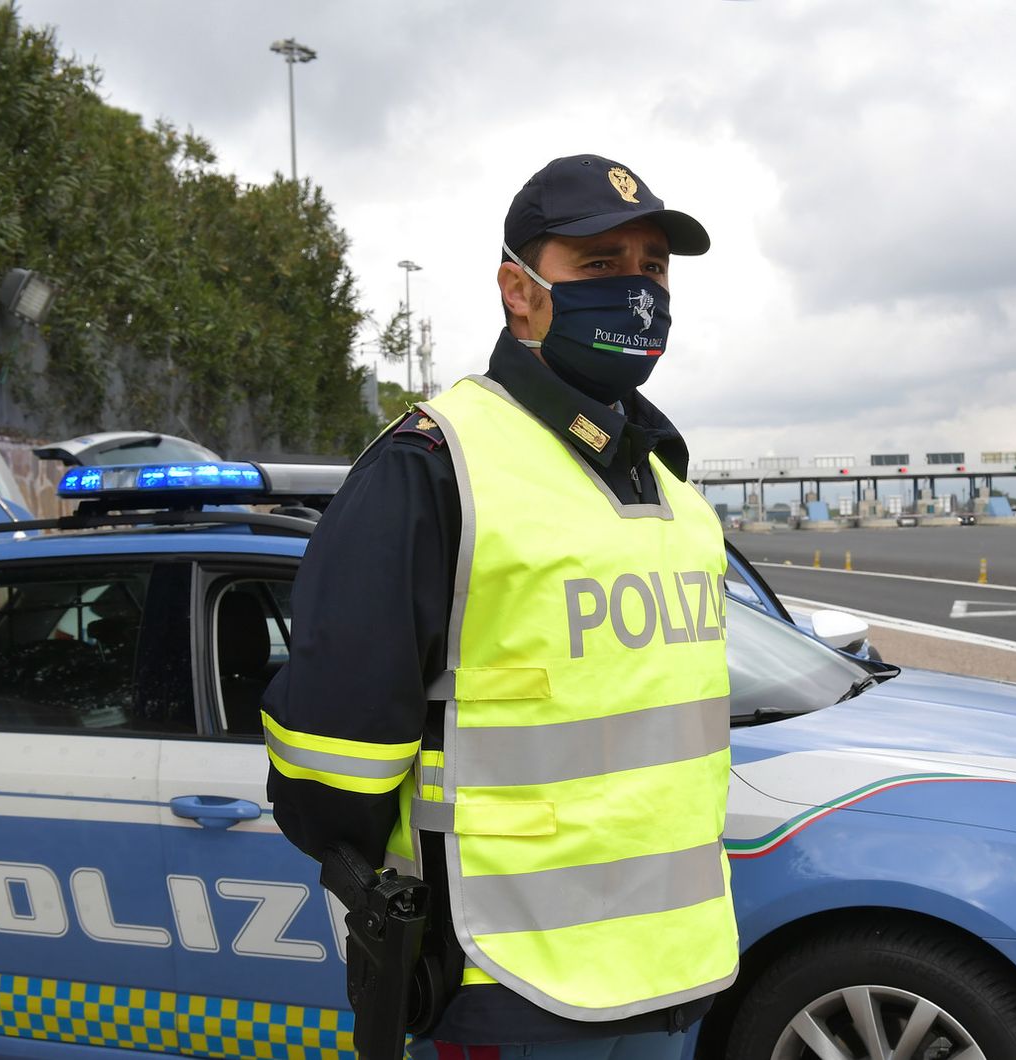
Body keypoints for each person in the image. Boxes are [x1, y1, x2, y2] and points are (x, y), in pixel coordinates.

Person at [261, 155, 738, 1060]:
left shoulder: (668, 480)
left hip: (677, 978)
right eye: (601, 266)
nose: (637, 291)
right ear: (519, 290)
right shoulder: (435, 464)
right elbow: (334, 756)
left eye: (653, 266)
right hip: (507, 983)